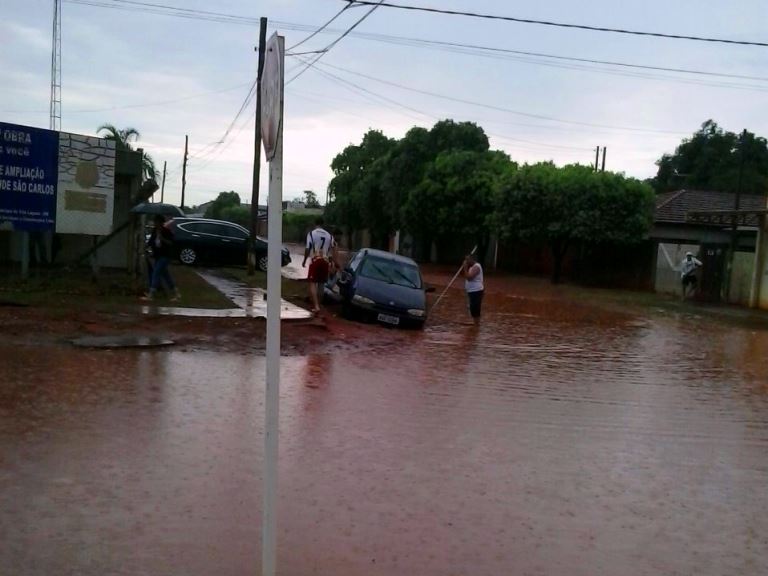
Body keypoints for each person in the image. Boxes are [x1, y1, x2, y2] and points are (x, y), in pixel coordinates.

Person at [142, 215, 181, 302]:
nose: (156, 224)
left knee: (156, 272)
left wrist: (162, 238)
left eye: (157, 222)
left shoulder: (166, 231)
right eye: (155, 222)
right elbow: (151, 241)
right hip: (157, 256)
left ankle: (151, 294)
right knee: (166, 275)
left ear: (161, 223)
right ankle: (176, 294)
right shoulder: (154, 231)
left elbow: (171, 243)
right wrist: (146, 247)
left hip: (165, 256)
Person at [302, 217, 335, 315]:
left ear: (315, 223)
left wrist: (304, 260)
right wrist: (331, 263)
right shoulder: (330, 236)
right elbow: (331, 250)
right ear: (323, 224)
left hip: (315, 260)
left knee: (312, 283)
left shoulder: (311, 234)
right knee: (321, 284)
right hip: (325, 261)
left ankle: (316, 306)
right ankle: (319, 304)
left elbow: (308, 248)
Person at [462, 252, 484, 325]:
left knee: (475, 308)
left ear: (472, 259)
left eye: (467, 259)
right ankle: (475, 323)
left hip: (476, 291)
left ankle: (476, 324)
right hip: (471, 291)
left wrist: (464, 268)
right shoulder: (471, 267)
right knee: (472, 308)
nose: (466, 261)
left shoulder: (476, 266)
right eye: (465, 259)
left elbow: (469, 278)